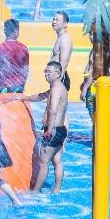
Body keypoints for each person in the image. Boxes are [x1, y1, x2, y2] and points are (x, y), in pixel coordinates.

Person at [30, 61, 69, 195]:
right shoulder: (57, 87)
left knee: (43, 162)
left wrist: (49, 130)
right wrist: (24, 98)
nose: (46, 74)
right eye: (45, 71)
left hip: (53, 130)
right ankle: (57, 190)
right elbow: (40, 96)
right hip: (60, 130)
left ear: (57, 73)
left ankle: (36, 191)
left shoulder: (56, 89)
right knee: (57, 160)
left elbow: (53, 110)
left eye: (49, 72)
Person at [50, 10, 73, 89]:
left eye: (57, 20)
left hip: (60, 79)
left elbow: (63, 64)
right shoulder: (60, 38)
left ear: (65, 24)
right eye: (53, 19)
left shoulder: (65, 39)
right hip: (57, 79)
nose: (54, 22)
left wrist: (57, 84)